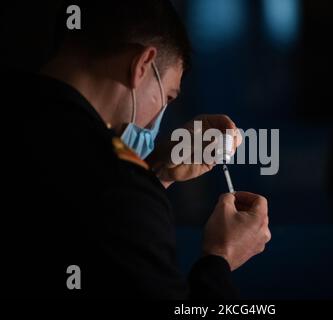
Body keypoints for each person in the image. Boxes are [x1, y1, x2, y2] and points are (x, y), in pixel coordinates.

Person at [2, 0, 270, 299]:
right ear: (141, 65)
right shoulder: (119, 187)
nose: (159, 118)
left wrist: (154, 172)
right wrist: (220, 258)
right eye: (167, 97)